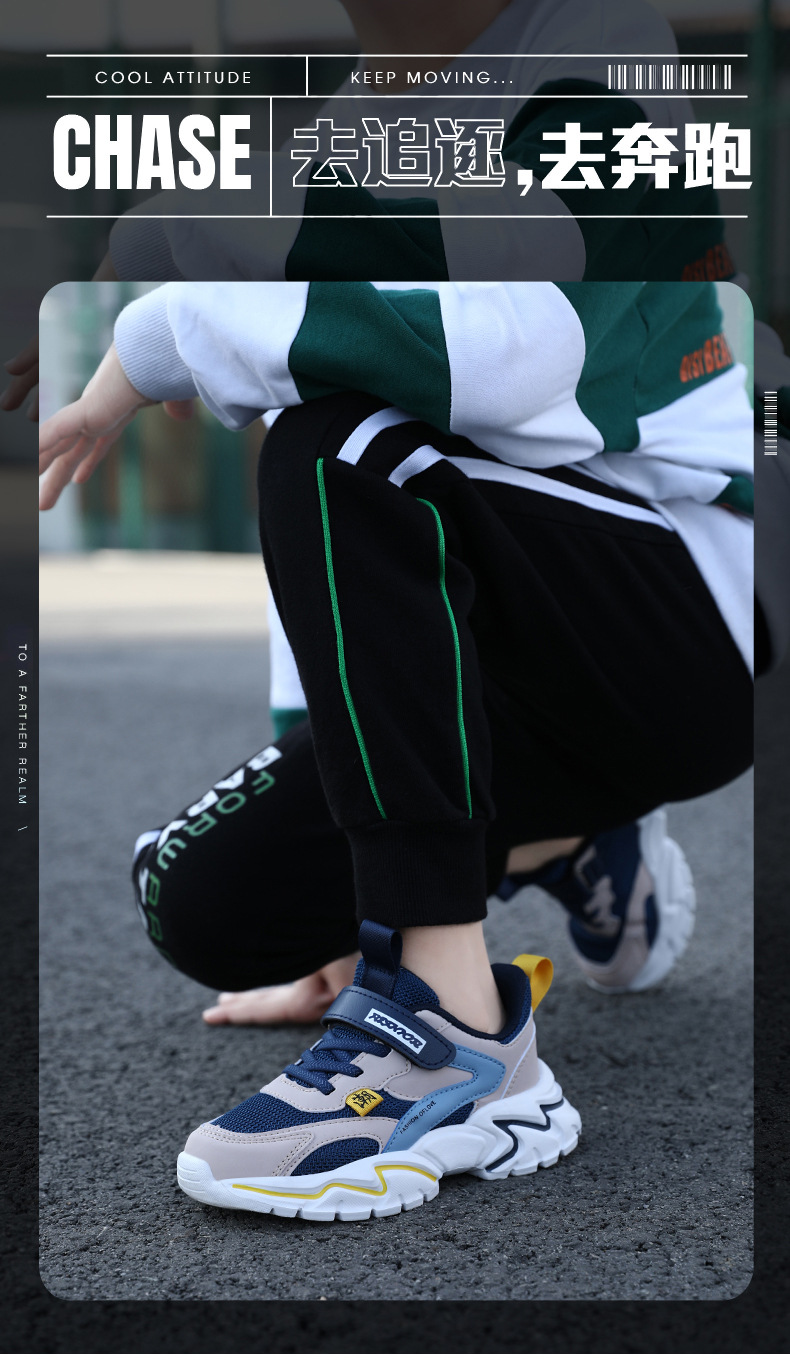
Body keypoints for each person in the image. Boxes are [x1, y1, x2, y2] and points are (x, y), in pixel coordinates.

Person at [38, 278, 753, 1220]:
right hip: (492, 668)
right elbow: (325, 571)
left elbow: (513, 353)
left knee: (341, 442)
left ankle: (458, 1035)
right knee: (198, 901)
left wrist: (168, 331)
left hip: (695, 625)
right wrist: (361, 886)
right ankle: (577, 841)